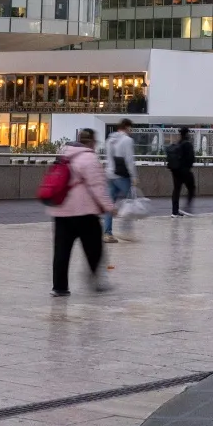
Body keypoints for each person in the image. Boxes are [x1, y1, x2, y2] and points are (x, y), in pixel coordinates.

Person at [49, 128, 114, 296]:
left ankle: (59, 287)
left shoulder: (63, 154)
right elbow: (98, 186)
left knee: (61, 251)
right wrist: (109, 207)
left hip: (61, 210)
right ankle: (97, 280)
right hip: (84, 211)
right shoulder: (89, 158)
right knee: (95, 248)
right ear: (92, 142)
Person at [103, 119, 136, 243]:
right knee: (130, 202)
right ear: (127, 127)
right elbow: (129, 160)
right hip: (122, 176)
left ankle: (107, 233)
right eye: (130, 128)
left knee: (109, 204)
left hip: (110, 174)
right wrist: (134, 177)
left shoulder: (110, 140)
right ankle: (125, 231)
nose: (131, 131)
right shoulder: (127, 140)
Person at [166, 126, 197, 216]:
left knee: (176, 190)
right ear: (187, 134)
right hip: (185, 171)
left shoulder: (178, 143)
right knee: (192, 188)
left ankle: (174, 212)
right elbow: (191, 159)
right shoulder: (188, 144)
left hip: (175, 171)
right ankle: (187, 208)